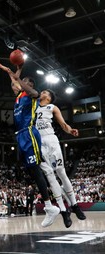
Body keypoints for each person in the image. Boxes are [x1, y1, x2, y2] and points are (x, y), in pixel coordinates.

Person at [0, 61, 60, 227]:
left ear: (28, 84)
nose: (15, 84)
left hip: (30, 132)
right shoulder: (18, 96)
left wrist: (18, 75)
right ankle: (49, 205)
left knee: (36, 168)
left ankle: (49, 206)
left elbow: (28, 88)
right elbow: (15, 82)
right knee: (32, 170)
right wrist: (11, 71)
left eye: (21, 81)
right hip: (21, 136)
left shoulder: (32, 95)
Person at [35, 89, 86, 225]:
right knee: (50, 176)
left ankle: (75, 205)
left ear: (49, 97)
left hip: (51, 140)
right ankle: (63, 211)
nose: (41, 92)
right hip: (39, 143)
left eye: (44, 92)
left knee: (61, 172)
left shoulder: (52, 107)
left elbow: (63, 124)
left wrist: (70, 130)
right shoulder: (33, 105)